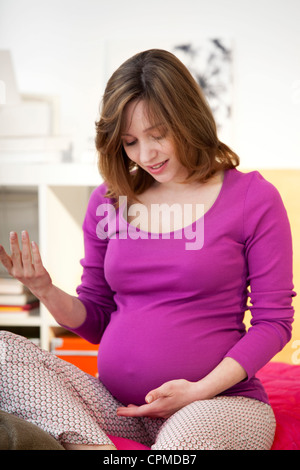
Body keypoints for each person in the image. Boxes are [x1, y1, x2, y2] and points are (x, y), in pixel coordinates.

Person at [0, 49, 295, 450]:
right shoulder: (109, 201)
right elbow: (96, 320)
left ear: (188, 119)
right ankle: (94, 447)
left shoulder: (252, 198)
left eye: (158, 135)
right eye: (130, 142)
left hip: (216, 403)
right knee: (3, 353)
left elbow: (273, 322)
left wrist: (197, 390)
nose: (146, 155)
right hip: (120, 408)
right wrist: (45, 290)